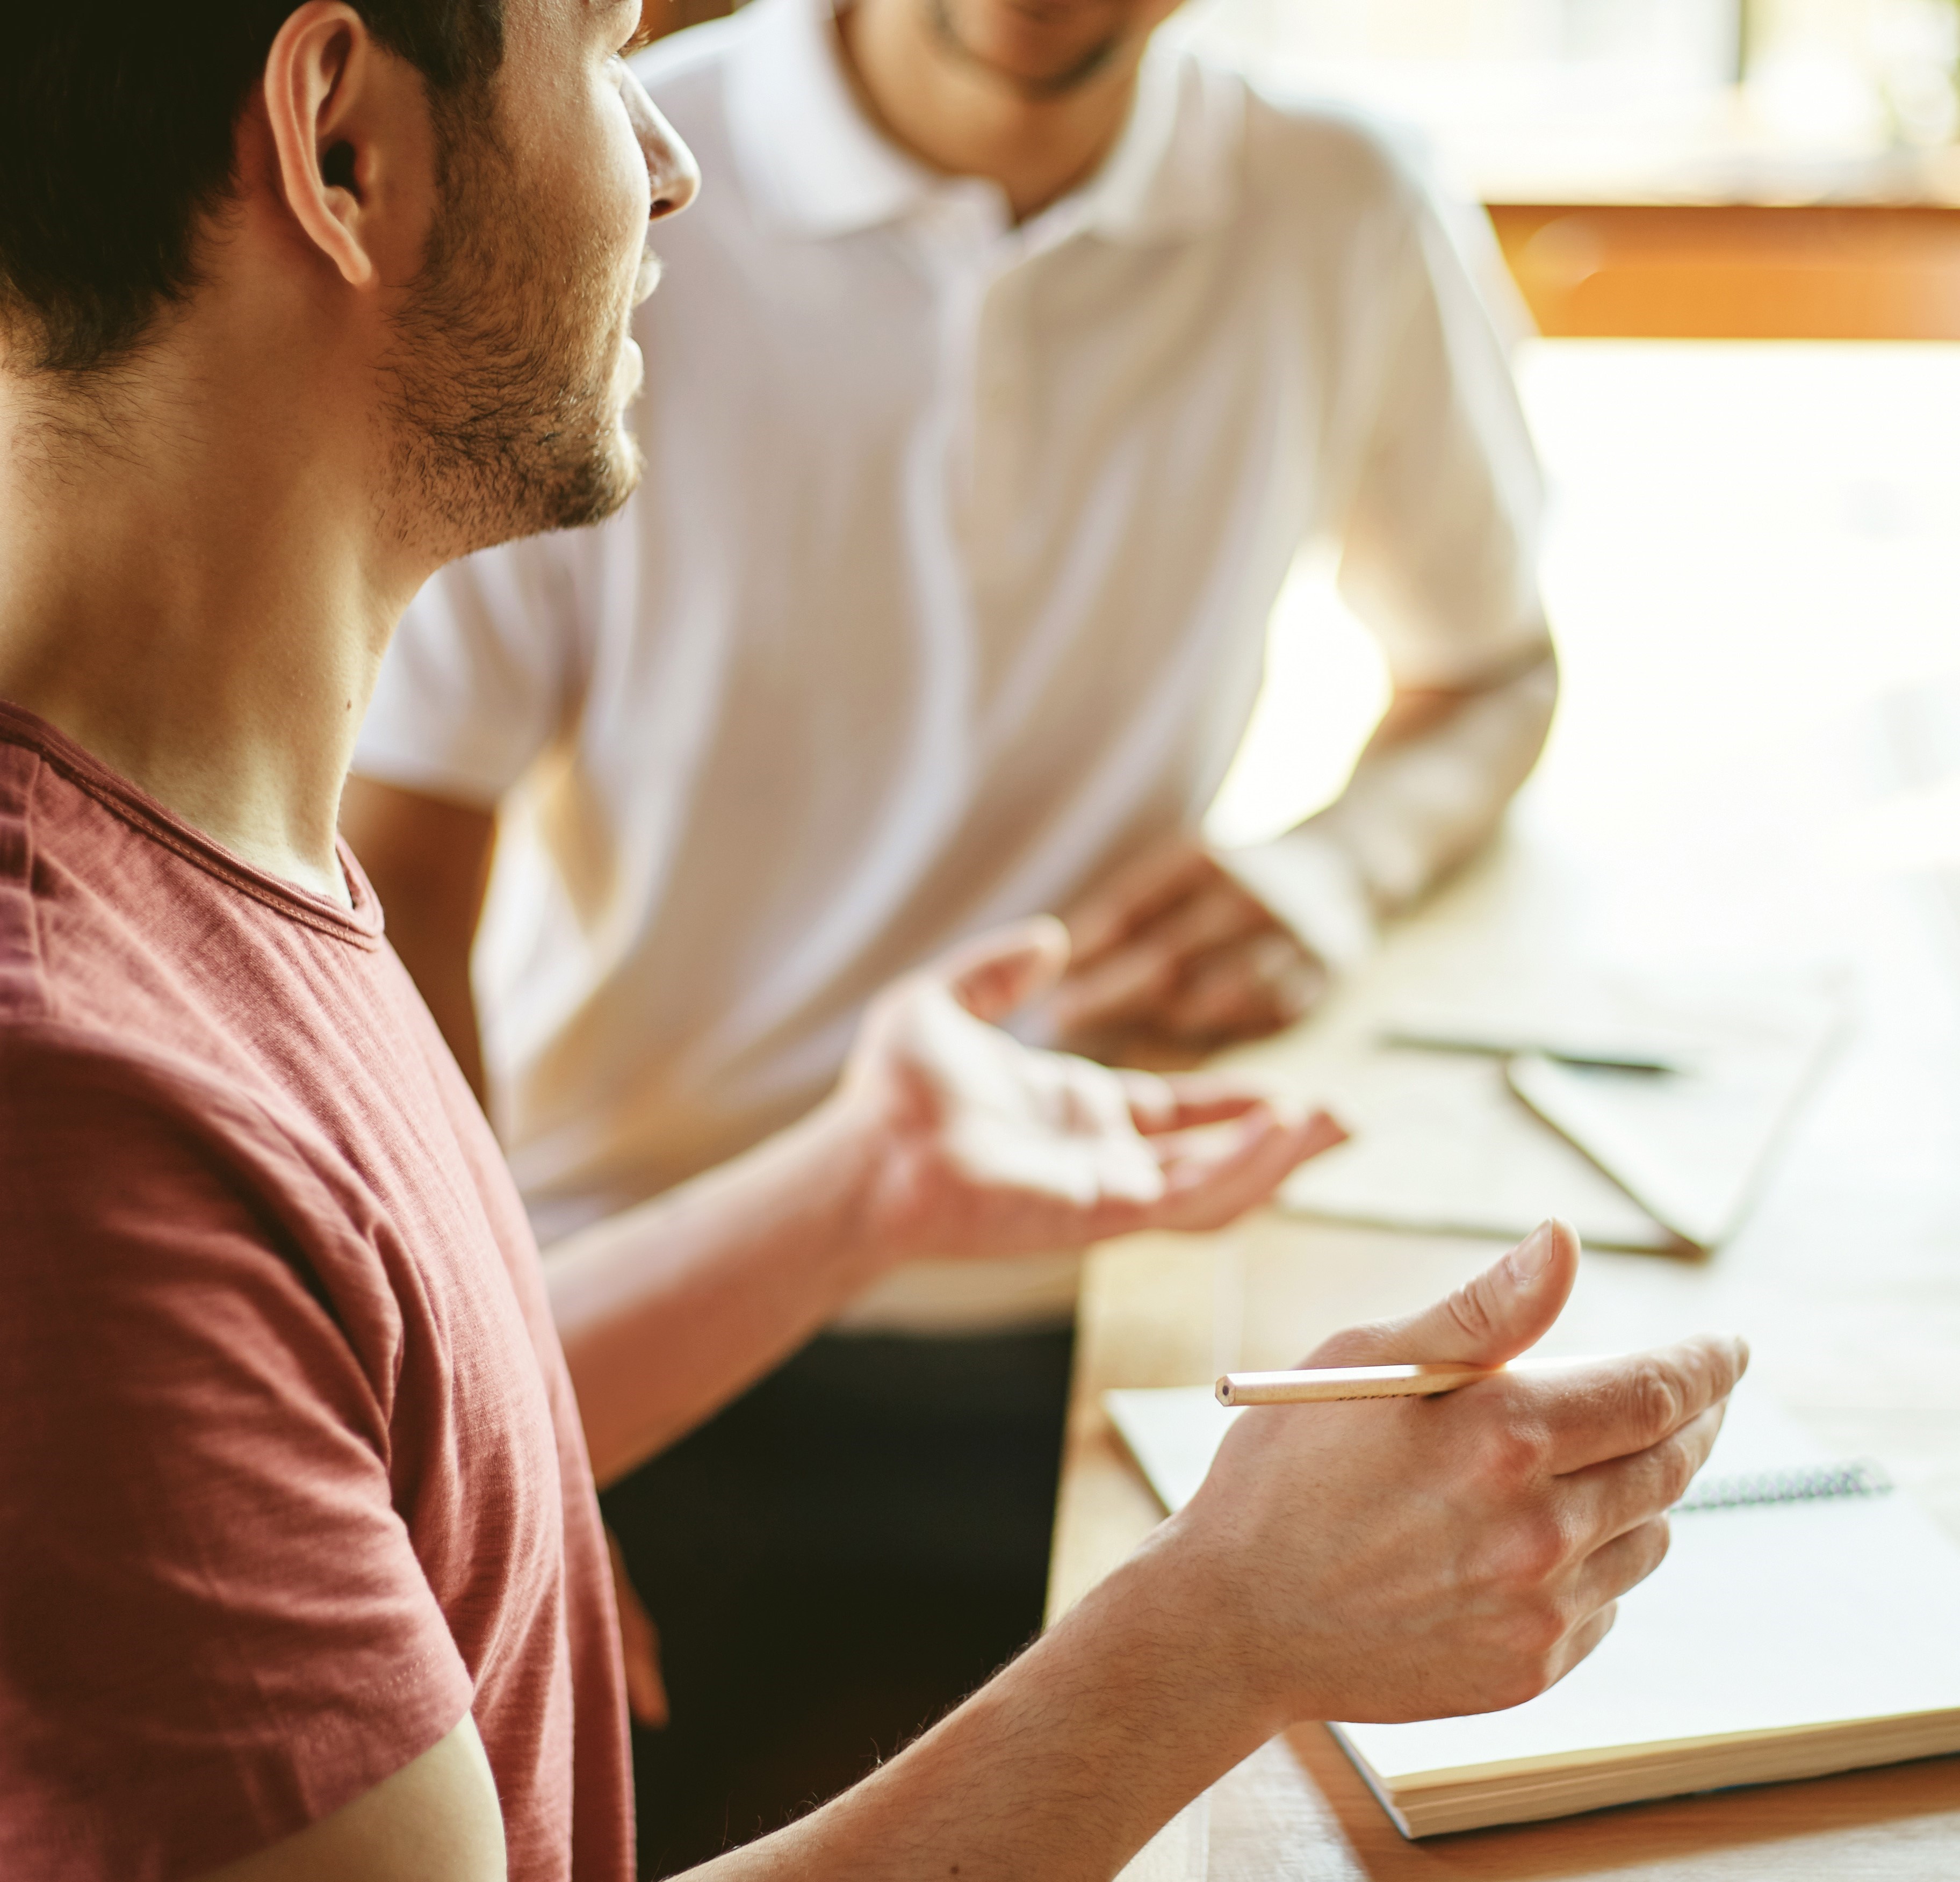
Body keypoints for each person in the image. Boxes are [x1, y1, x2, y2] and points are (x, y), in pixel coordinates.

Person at [0, 4, 1747, 1879]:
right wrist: (1222, 1630)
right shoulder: (81, 1122)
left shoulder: (206, 866)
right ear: (347, 146)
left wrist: (857, 1186)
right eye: (600, 53)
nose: (668, 166)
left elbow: (385, 1411)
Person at [341, 0, 1559, 1847]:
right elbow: (403, 852)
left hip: (1114, 1300)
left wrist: (1338, 864)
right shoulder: (592, 178)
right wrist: (508, 1421)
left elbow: (1491, 673)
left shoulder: (1339, 203)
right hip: (632, 1293)